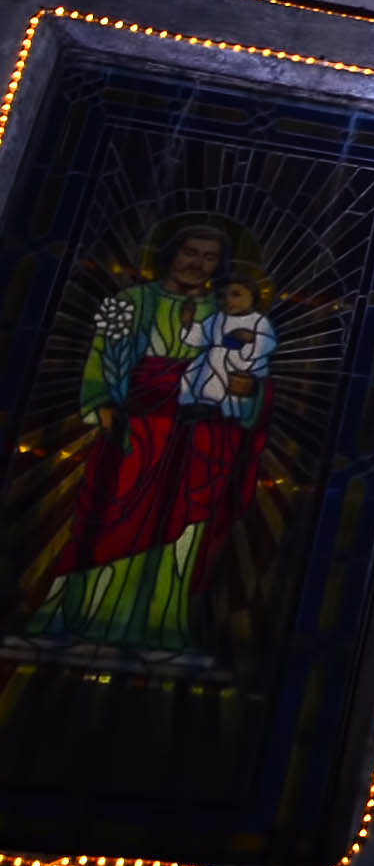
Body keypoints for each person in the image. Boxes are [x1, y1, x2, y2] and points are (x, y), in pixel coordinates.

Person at [21, 219, 274, 660]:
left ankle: (160, 627)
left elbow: (249, 371)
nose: (197, 263)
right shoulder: (131, 301)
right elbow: (103, 359)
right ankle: (76, 618)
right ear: (171, 253)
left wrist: (249, 392)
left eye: (209, 257)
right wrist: (102, 404)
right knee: (106, 522)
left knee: (181, 533)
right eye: (190, 252)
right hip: (134, 437)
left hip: (198, 441)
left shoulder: (225, 315)